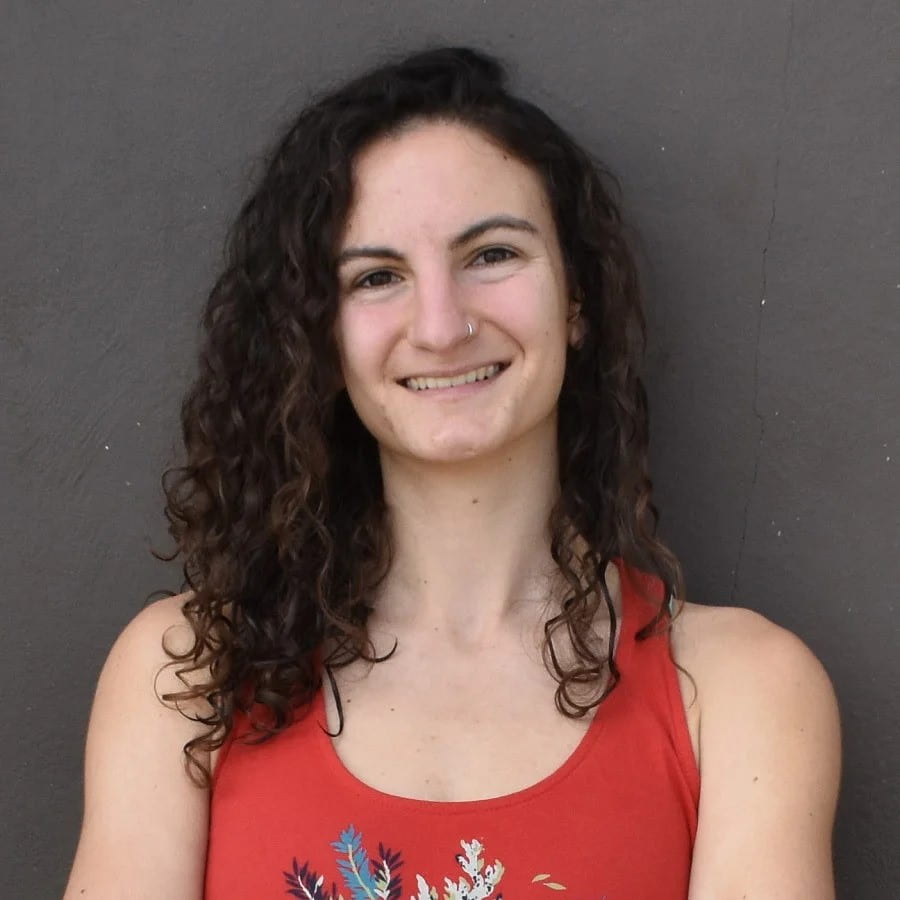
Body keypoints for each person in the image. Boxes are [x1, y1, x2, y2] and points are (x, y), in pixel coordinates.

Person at [64, 46, 842, 899]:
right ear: (318, 337)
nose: (441, 326)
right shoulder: (187, 674)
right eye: (378, 276)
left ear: (576, 298)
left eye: (492, 255)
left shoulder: (738, 693)